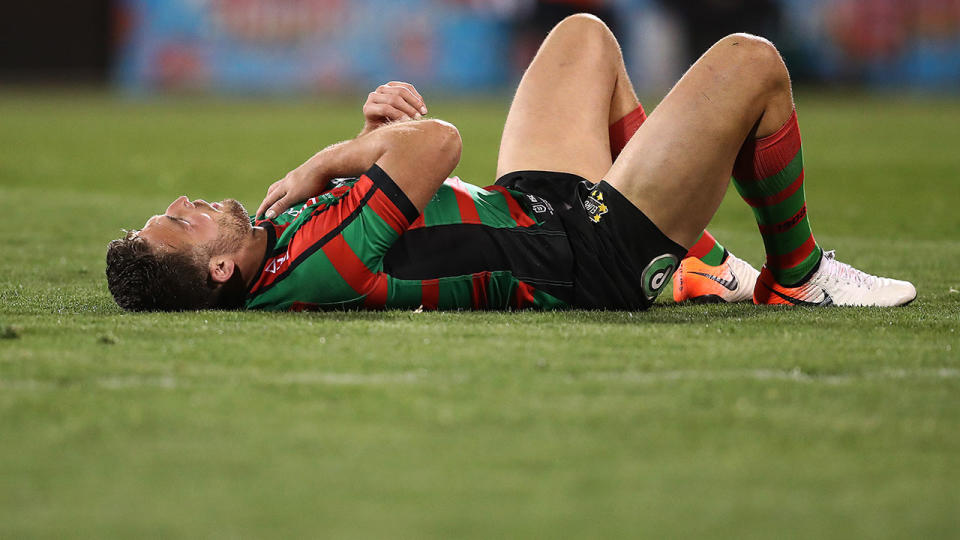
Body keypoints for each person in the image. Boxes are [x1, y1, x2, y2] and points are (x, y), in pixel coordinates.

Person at [105, 14, 916, 311]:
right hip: (585, 255)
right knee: (753, 63)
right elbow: (440, 144)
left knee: (583, 37)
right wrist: (339, 155)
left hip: (528, 206)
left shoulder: (276, 235)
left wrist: (369, 134)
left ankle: (698, 260)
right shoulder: (304, 266)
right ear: (217, 271)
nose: (184, 199)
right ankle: (797, 274)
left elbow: (398, 193)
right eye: (178, 222)